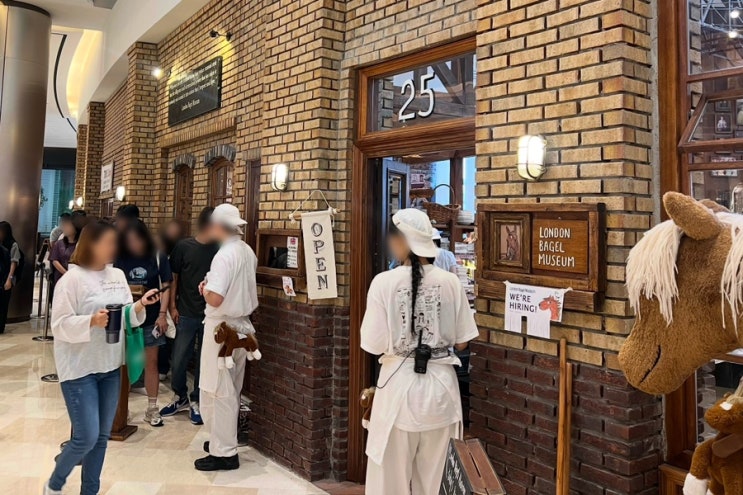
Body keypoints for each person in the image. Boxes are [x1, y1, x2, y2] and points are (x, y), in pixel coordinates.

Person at [360, 208, 479, 494]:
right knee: (438, 482)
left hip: (398, 393)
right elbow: (462, 342)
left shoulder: (383, 282)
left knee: (389, 483)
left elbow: (372, 344)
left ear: (400, 240)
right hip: (441, 393)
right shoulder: (451, 282)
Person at [44, 221, 161, 495]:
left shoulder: (117, 275)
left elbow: (125, 314)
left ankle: (90, 491)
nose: (113, 248)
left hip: (110, 365)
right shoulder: (71, 280)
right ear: (91, 244)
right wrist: (91, 321)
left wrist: (140, 305)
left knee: (101, 437)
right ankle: (54, 483)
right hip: (79, 368)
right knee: (85, 437)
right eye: (108, 242)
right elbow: (58, 325)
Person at [196, 203, 258, 471]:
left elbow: (216, 298)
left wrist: (205, 290)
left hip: (221, 329)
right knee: (232, 387)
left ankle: (224, 452)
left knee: (218, 390)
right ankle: (223, 441)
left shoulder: (223, 255)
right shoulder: (247, 251)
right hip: (242, 327)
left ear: (218, 226)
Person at [160, 208, 218, 425]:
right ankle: (180, 396)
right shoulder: (184, 247)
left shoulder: (219, 249)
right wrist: (172, 307)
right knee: (179, 358)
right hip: (185, 312)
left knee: (205, 359)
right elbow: (174, 278)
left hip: (211, 314)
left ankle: (196, 400)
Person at [114, 220, 172, 426]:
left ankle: (152, 408)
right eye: (129, 240)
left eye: (137, 239)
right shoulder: (120, 258)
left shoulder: (157, 256)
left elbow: (166, 286)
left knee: (151, 363)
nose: (134, 244)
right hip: (127, 318)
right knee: (126, 363)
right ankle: (123, 408)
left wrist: (162, 314)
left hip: (151, 318)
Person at [0, 222, 21, 334]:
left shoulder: (13, 245)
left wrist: (9, 279)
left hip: (7, 278)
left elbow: (14, 263)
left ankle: (1, 326)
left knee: (3, 303)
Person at [49, 214, 80, 284]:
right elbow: (54, 260)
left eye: (68, 226)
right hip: (61, 276)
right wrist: (66, 273)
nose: (65, 228)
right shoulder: (59, 243)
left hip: (76, 277)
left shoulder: (80, 244)